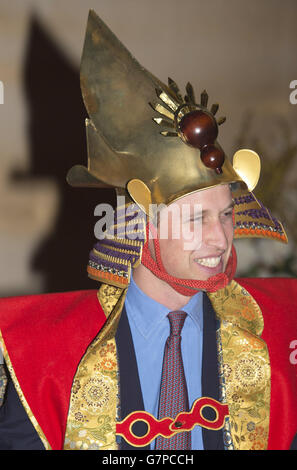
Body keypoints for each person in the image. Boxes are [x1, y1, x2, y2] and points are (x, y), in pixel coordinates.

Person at [0, 10, 296, 451]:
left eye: (227, 214)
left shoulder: (281, 333)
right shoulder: (40, 356)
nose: (221, 239)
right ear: (141, 225)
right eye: (196, 219)